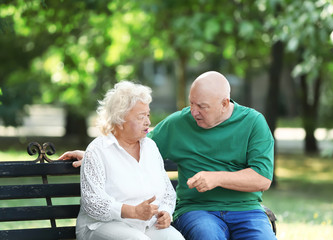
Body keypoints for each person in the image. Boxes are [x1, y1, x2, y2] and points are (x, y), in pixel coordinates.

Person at [59, 71, 276, 240]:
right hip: (197, 210)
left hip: (246, 210)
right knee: (207, 235)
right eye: (191, 103)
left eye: (202, 107)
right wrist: (92, 154)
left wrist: (216, 177)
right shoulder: (178, 124)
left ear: (224, 104)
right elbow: (128, 140)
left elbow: (262, 179)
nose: (193, 112)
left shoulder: (253, 123)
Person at [67, 81, 184, 240]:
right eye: (141, 117)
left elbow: (168, 193)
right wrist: (132, 211)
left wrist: (165, 212)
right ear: (120, 119)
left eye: (148, 115)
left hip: (146, 225)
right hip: (102, 226)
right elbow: (93, 203)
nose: (148, 122)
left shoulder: (150, 147)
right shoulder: (98, 150)